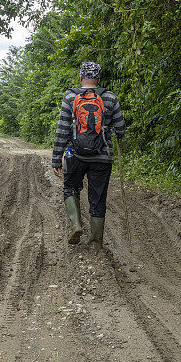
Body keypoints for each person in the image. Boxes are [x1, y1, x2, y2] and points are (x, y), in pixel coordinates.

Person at [51, 62, 126, 249]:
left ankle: (76, 225)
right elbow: (121, 129)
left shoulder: (70, 97)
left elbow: (62, 129)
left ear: (81, 78)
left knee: (70, 188)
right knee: (98, 197)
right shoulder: (109, 97)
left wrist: (56, 158)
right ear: (98, 79)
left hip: (74, 155)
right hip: (102, 157)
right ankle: (96, 243)